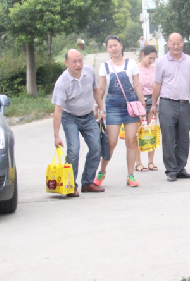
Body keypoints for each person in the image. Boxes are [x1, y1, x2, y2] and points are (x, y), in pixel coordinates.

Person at [52, 49, 106, 196]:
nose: (78, 64)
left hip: (88, 116)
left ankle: (87, 183)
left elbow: (96, 91)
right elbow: (58, 110)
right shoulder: (62, 83)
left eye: (80, 60)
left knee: (96, 148)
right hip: (70, 118)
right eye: (74, 62)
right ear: (66, 63)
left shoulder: (89, 72)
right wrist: (56, 135)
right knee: (73, 151)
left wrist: (101, 109)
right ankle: (70, 185)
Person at [95, 35, 147, 188]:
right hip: (112, 107)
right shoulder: (104, 66)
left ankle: (130, 175)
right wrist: (99, 107)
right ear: (107, 49)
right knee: (111, 143)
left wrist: (142, 105)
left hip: (131, 106)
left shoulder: (131, 64)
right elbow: (101, 89)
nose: (114, 48)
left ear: (121, 45)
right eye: (110, 46)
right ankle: (101, 172)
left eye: (115, 45)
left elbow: (137, 85)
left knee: (131, 141)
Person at [150, 33, 190, 182]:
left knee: (183, 137)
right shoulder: (161, 62)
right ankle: (171, 169)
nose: (176, 46)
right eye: (173, 44)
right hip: (167, 103)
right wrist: (153, 104)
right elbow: (157, 84)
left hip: (184, 104)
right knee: (168, 137)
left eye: (179, 43)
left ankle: (180, 168)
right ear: (168, 44)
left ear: (183, 43)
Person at [135, 45, 159, 172]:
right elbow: (134, 86)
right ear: (143, 55)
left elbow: (158, 86)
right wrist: (139, 104)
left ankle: (151, 161)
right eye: (150, 58)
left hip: (153, 102)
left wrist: (155, 103)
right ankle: (138, 162)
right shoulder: (135, 69)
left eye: (154, 58)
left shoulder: (155, 69)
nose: (151, 61)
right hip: (138, 103)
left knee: (152, 131)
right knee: (138, 132)